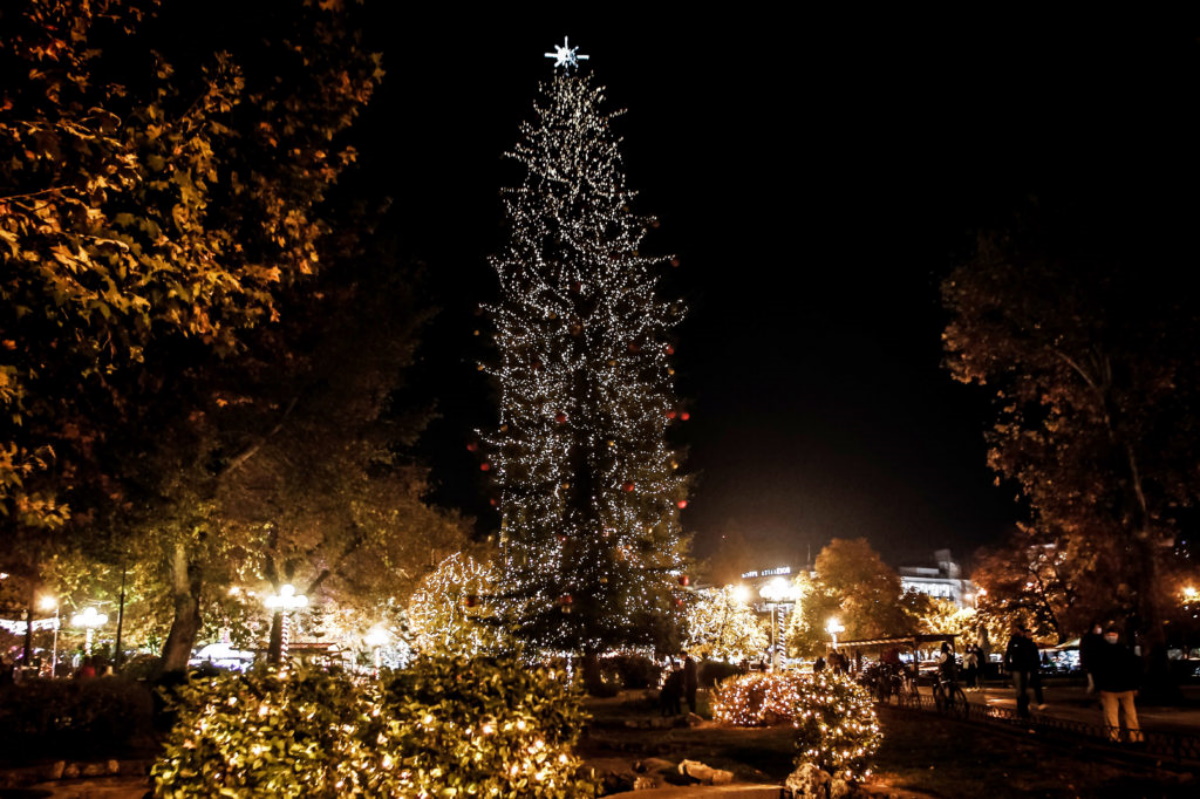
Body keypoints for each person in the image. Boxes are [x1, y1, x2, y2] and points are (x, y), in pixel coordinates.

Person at [1092, 626, 1142, 743]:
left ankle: (1114, 737)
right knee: (1131, 715)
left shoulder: (1100, 651)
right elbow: (1134, 669)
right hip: (1125, 687)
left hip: (1110, 688)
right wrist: (1135, 686)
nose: (1112, 637)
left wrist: (1099, 687)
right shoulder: (1124, 650)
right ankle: (1135, 737)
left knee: (1111, 716)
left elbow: (1098, 671)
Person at [1003, 624, 1043, 717]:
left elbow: (1030, 654)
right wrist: (1008, 667)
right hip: (1017, 667)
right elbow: (1008, 655)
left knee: (1025, 688)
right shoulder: (1013, 642)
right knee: (1019, 688)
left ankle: (1024, 706)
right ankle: (1021, 708)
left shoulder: (1026, 642)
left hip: (1025, 667)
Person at [1080, 622, 1105, 694]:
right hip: (1091, 665)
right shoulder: (1087, 638)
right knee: (1092, 684)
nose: (1099, 629)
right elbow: (1084, 652)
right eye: (1097, 627)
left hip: (1099, 665)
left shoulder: (1101, 638)